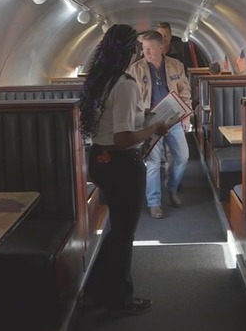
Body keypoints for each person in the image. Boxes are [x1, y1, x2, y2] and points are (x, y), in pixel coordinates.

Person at [77, 24, 169, 317]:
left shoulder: (100, 80)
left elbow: (112, 122)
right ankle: (120, 299)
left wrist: (144, 116)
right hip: (121, 163)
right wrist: (154, 127)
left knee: (115, 230)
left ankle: (94, 290)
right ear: (130, 51)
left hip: (99, 159)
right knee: (123, 234)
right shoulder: (125, 84)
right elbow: (123, 138)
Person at [127, 31, 192, 219]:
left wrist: (186, 116)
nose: (146, 52)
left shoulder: (176, 65)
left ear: (161, 48)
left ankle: (171, 187)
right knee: (153, 163)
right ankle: (154, 202)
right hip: (149, 121)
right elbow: (131, 98)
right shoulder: (135, 69)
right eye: (144, 48)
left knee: (182, 157)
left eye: (150, 48)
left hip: (173, 118)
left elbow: (185, 93)